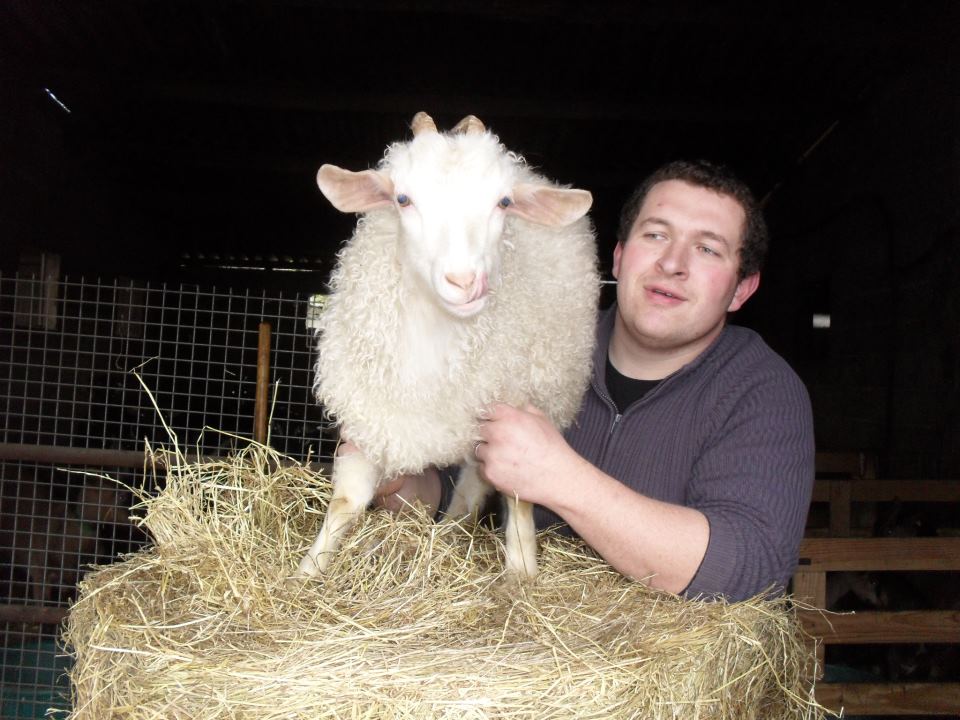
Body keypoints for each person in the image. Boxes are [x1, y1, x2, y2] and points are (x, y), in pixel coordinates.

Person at [367, 159, 815, 602]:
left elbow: (750, 569)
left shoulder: (763, 392)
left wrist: (560, 477)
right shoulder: (534, 349)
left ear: (741, 289)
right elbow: (452, 491)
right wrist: (398, 484)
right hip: (508, 645)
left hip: (648, 662)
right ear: (619, 258)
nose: (673, 263)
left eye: (708, 249)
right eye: (656, 235)